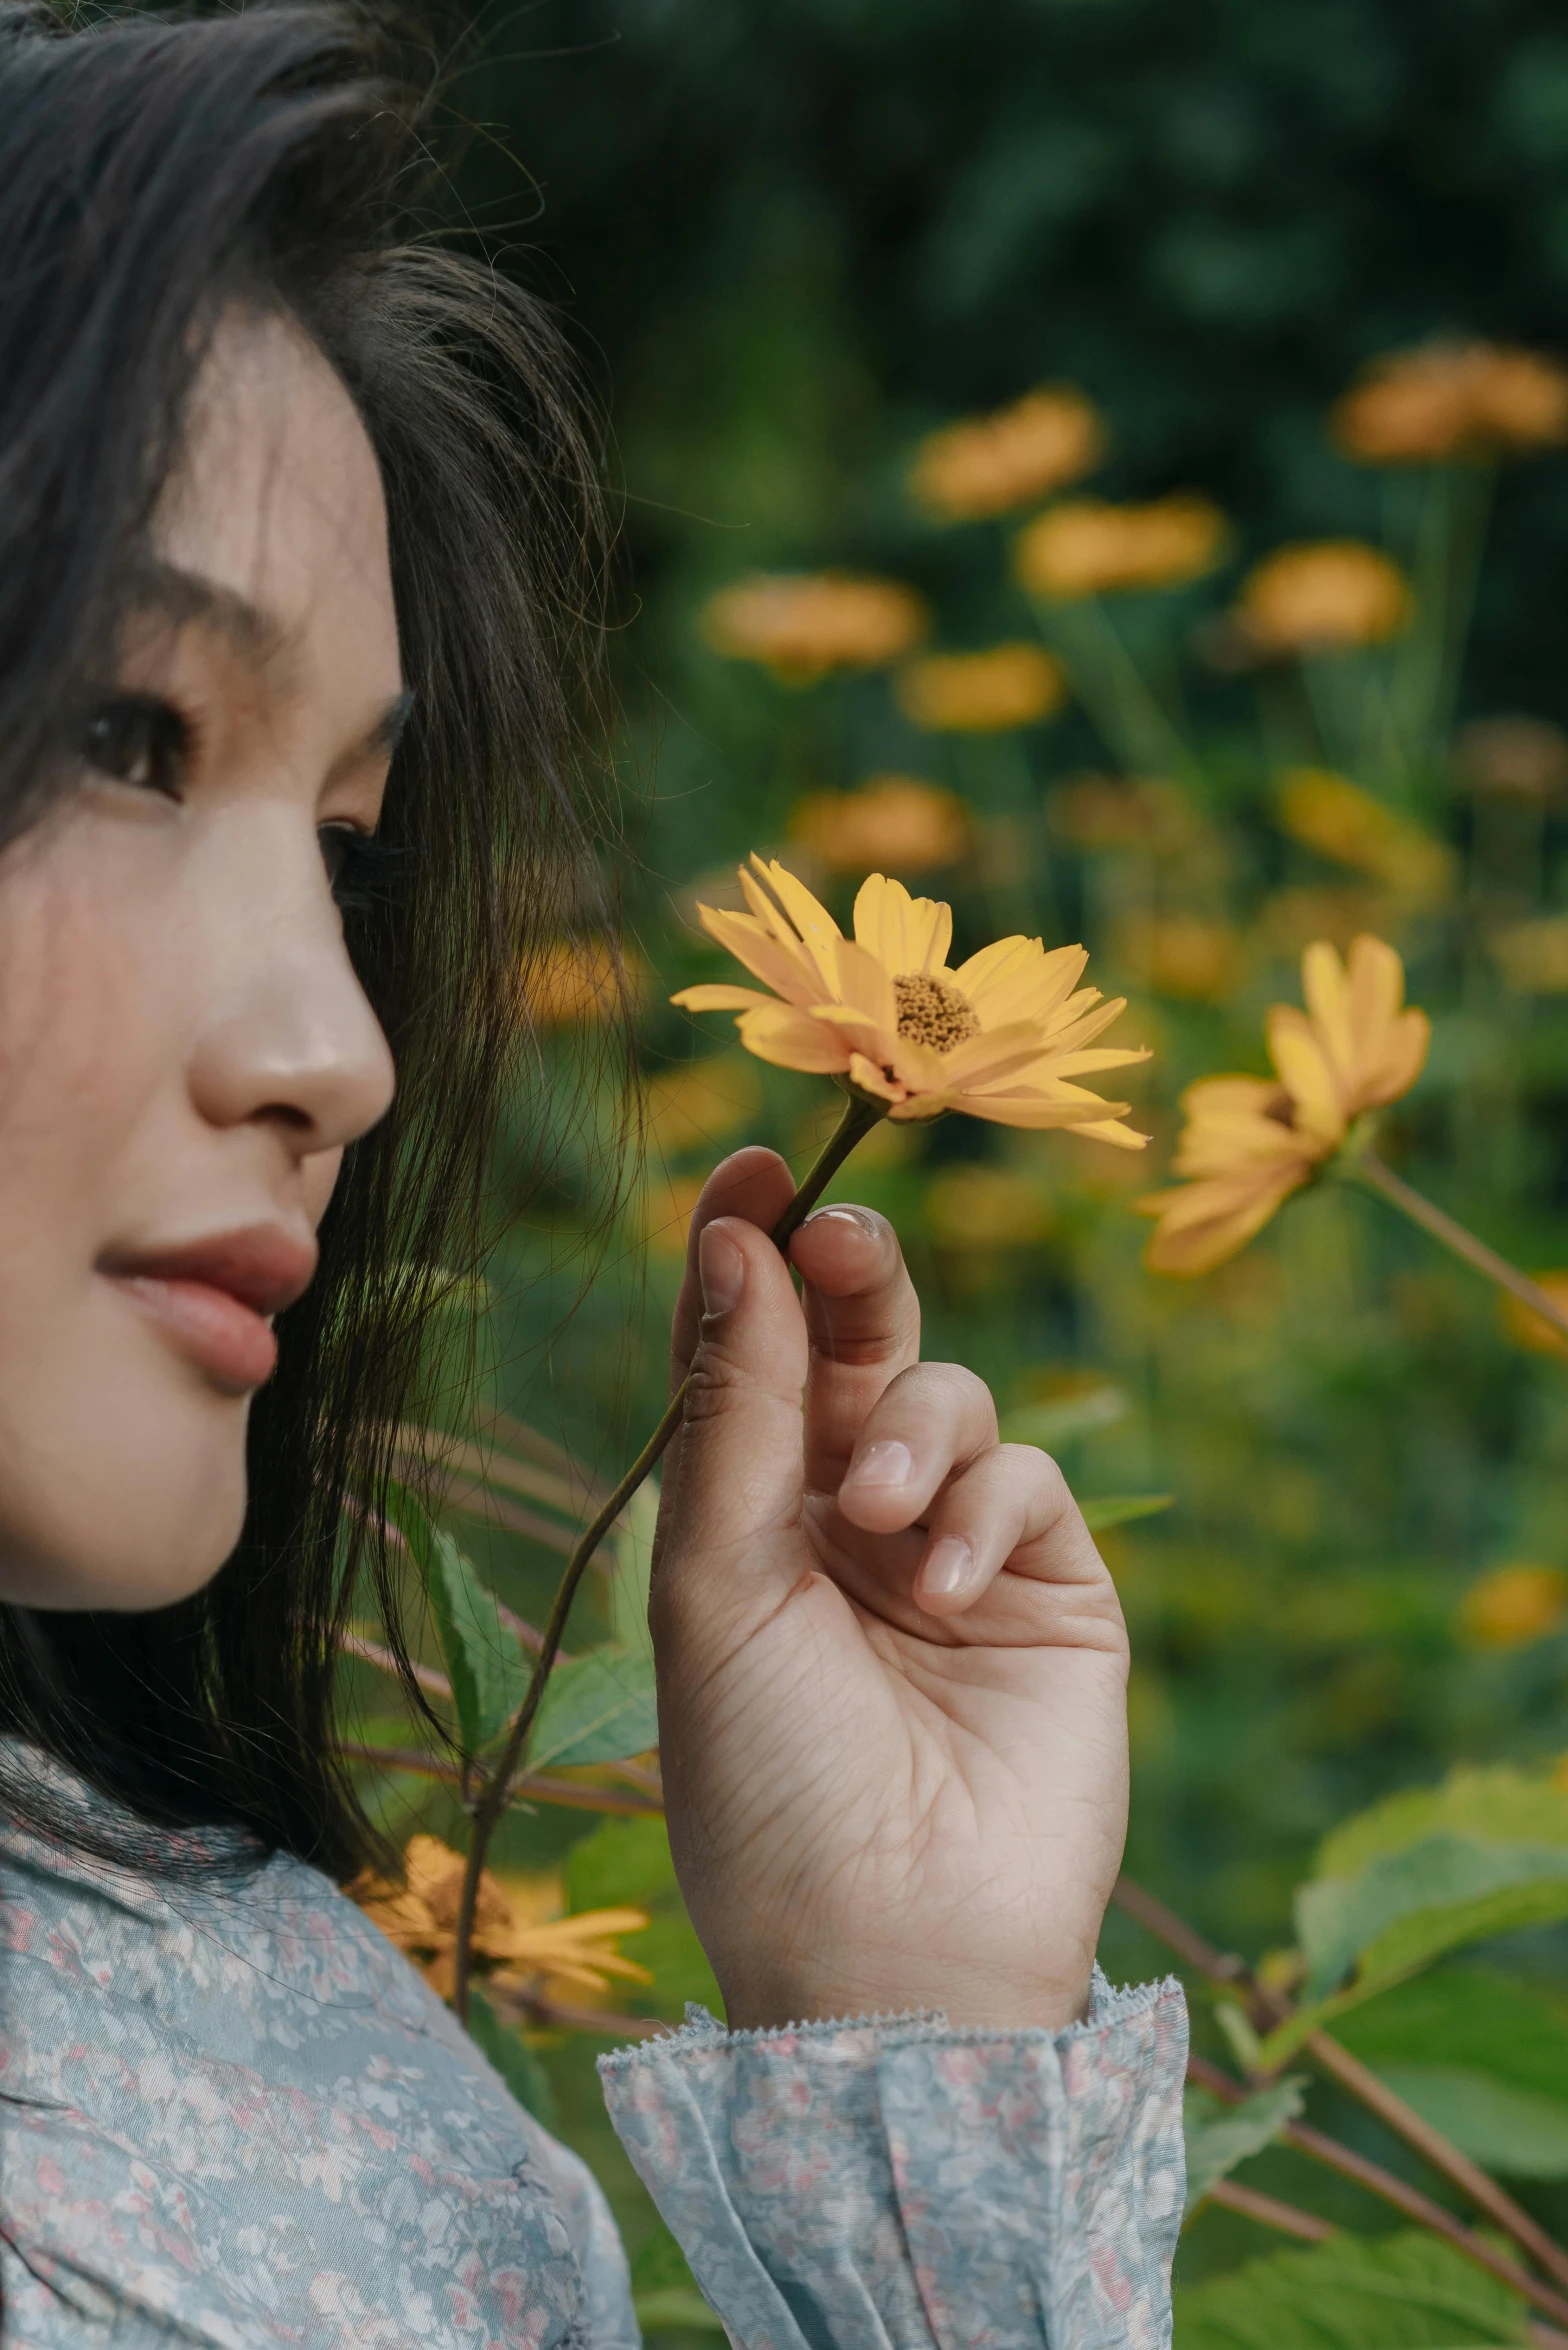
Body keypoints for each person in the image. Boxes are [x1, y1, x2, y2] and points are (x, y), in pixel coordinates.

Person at [0, 5, 1186, 2343]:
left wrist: (909, 2030)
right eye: (123, 734)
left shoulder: (269, 2014)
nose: (337, 1052)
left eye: (349, 853)